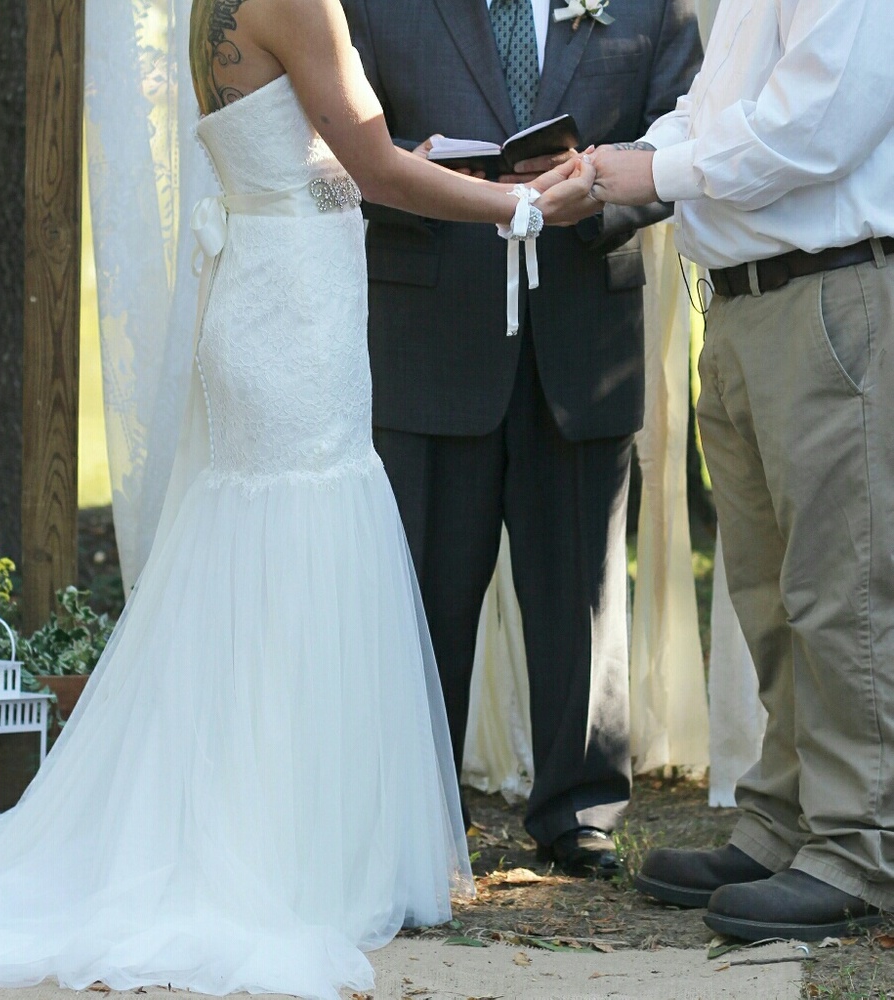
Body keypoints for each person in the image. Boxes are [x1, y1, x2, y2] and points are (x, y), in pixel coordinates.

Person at [0, 1, 598, 997]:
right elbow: (375, 173)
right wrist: (517, 206)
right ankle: (278, 850)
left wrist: (407, 152)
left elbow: (288, 151)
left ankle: (263, 825)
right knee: (296, 561)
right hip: (296, 320)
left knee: (256, 564)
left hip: (262, 293)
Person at [342, 0, 702, 877]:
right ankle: (418, 802)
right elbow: (329, 143)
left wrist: (605, 190)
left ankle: (579, 807)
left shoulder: (651, 5)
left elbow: (686, 132)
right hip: (430, 332)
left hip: (583, 338)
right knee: (423, 591)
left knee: (581, 592)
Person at [588, 0, 894, 941]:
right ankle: (787, 821)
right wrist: (613, 164)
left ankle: (862, 848)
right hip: (746, 302)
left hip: (828, 293)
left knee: (840, 587)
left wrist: (652, 170)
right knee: (767, 592)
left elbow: (815, 129)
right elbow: (713, 110)